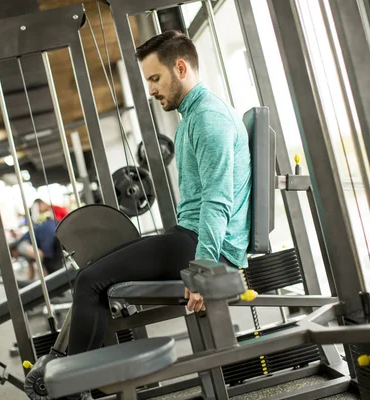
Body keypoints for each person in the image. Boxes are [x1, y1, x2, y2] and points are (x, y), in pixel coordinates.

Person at [61, 31, 252, 399]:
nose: (151, 89)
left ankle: (72, 392)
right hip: (189, 237)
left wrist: (203, 270)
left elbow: (217, 201)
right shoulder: (192, 117)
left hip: (204, 247)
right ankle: (92, 387)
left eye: (155, 79)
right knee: (96, 270)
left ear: (180, 68)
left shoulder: (209, 119)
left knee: (90, 281)